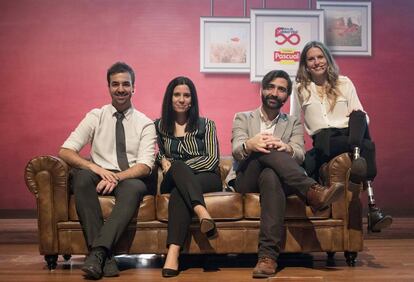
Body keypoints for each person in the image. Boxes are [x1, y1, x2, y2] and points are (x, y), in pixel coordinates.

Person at [226, 70, 344, 278]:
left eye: (281, 89)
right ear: (262, 90)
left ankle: (267, 257)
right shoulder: (243, 117)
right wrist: (250, 144)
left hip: (278, 179)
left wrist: (285, 147)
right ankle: (311, 191)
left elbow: (299, 155)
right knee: (265, 146)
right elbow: (237, 150)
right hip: (246, 177)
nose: (274, 92)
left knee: (271, 175)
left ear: (287, 96)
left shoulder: (293, 122)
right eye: (270, 87)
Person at [58, 62, 156, 280]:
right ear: (108, 87)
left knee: (133, 188)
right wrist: (95, 167)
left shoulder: (145, 123)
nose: (120, 89)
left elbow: (145, 165)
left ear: (133, 88)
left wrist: (117, 177)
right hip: (98, 172)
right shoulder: (96, 116)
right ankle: (104, 256)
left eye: (125, 84)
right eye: (115, 84)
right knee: (81, 178)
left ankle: (98, 253)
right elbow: (66, 150)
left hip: (129, 176)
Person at [290, 41, 392, 233]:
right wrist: (296, 149)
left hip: (349, 133)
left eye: (320, 57)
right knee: (367, 147)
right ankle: (371, 205)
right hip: (324, 140)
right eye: (311, 59)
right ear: (305, 64)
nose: (316, 62)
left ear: (327, 59)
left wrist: (356, 116)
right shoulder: (300, 88)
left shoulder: (344, 82)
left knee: (359, 117)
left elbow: (363, 117)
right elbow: (294, 121)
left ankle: (360, 172)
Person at [155, 76, 222, 277]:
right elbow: (152, 151)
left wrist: (176, 165)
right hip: (173, 177)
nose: (182, 99)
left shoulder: (206, 125)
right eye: (177, 95)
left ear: (192, 100)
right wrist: (162, 160)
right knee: (177, 170)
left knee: (179, 188)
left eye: (186, 95)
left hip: (206, 177)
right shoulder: (158, 126)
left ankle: (173, 254)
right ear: (170, 98)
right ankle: (202, 211)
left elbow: (212, 161)